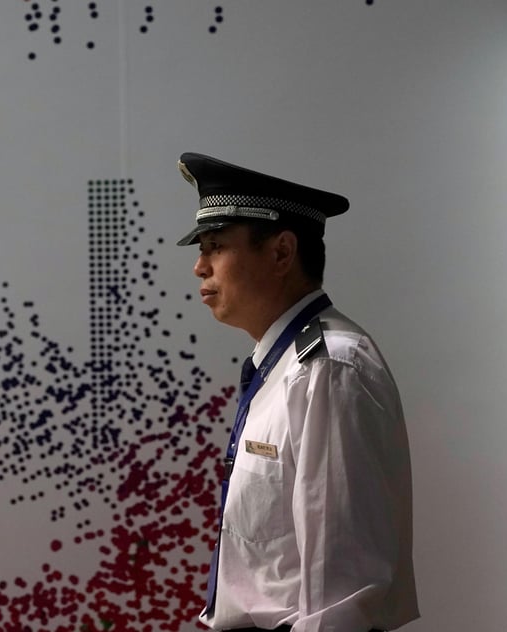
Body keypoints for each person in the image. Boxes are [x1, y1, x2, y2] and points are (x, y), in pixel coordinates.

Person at [175, 152, 418, 632]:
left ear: (282, 253)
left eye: (216, 245)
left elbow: (341, 596)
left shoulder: (328, 368)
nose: (199, 267)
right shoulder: (285, 364)